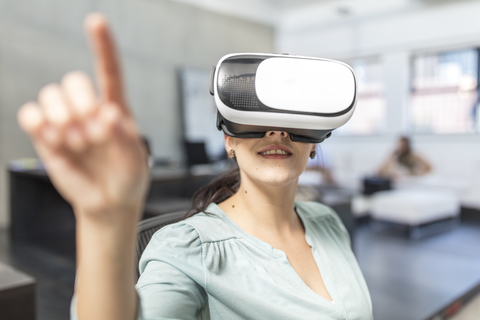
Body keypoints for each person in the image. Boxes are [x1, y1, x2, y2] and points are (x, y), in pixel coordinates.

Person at [17, 13, 373, 320]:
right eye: (257, 119)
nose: (277, 132)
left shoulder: (327, 223)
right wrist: (105, 221)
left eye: (291, 121)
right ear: (229, 140)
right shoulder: (187, 249)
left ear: (313, 142)